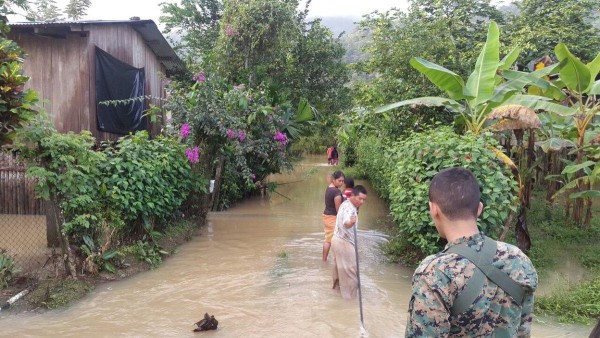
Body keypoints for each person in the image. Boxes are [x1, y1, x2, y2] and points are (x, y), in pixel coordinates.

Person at [406, 167, 538, 337]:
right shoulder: (519, 260)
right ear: (479, 208)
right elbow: (523, 331)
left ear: (434, 209)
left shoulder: (434, 272)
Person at [331, 185, 367, 300]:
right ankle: (350, 304)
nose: (362, 202)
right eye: (359, 199)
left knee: (338, 273)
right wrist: (351, 222)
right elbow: (346, 223)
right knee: (351, 276)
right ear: (352, 196)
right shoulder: (349, 208)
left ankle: (336, 296)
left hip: (336, 240)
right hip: (344, 244)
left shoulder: (346, 204)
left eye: (364, 200)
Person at [322, 170, 345, 261]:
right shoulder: (336, 192)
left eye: (343, 181)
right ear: (334, 180)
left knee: (328, 239)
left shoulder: (329, 188)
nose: (342, 183)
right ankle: (337, 260)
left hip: (326, 216)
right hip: (333, 218)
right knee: (335, 240)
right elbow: (338, 210)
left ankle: (324, 260)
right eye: (340, 181)